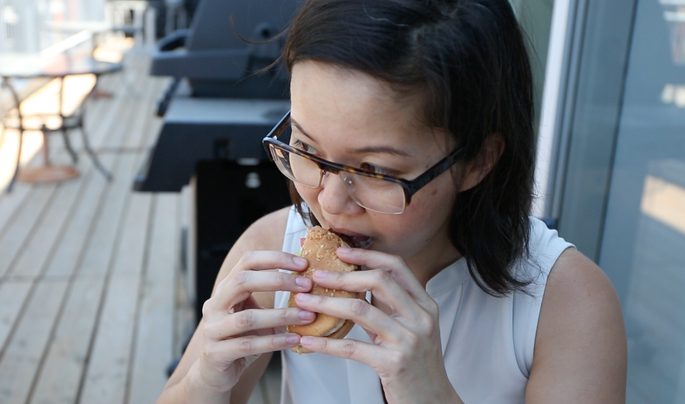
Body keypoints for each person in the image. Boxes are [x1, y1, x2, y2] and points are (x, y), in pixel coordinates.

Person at [156, 0, 627, 403]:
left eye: (376, 171)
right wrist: (205, 381)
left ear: (479, 160)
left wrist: (431, 392)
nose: (331, 202)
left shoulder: (568, 305)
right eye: (306, 149)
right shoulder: (272, 251)